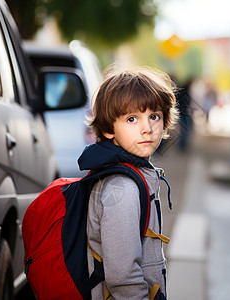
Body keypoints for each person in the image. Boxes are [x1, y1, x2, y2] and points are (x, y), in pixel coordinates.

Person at [78, 65, 179, 299]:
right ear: (108, 129)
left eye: (154, 116)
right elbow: (123, 277)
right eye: (132, 119)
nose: (147, 128)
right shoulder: (121, 188)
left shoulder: (136, 173)